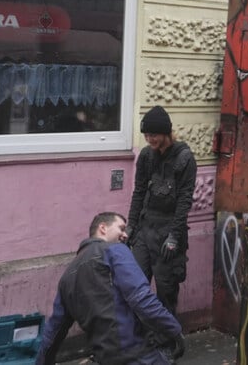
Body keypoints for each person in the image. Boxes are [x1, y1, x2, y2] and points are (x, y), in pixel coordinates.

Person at [36, 212, 184, 365]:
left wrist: (43, 361)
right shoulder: (114, 251)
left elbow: (53, 332)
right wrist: (173, 329)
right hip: (138, 354)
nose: (125, 234)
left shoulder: (67, 277)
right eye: (121, 228)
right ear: (103, 228)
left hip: (104, 358)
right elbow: (141, 297)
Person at [128, 106, 196, 316]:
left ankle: (167, 341)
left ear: (166, 133)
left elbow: (184, 201)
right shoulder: (147, 156)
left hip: (168, 232)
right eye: (146, 135)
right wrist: (131, 226)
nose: (150, 140)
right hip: (145, 228)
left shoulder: (184, 158)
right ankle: (139, 336)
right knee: (136, 285)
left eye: (154, 135)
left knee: (166, 291)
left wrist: (174, 236)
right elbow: (138, 192)